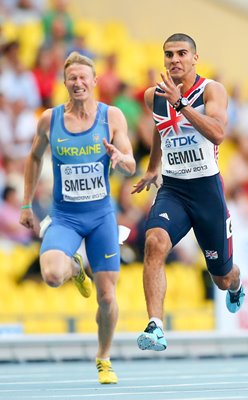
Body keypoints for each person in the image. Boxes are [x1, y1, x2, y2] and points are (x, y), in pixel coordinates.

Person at [19, 51, 136, 382]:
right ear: (65, 82)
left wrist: (122, 158)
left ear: (95, 81)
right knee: (53, 275)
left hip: (101, 218)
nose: (79, 82)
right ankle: (75, 270)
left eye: (85, 77)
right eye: (73, 78)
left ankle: (104, 357)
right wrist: (27, 204)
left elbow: (130, 161)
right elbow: (33, 158)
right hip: (66, 218)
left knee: (108, 296)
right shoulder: (49, 119)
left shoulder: (111, 117)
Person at [132, 33, 245, 352]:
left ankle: (236, 282)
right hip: (174, 189)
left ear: (195, 58)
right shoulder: (153, 95)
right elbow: (159, 128)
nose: (174, 60)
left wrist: (180, 104)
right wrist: (154, 167)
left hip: (207, 192)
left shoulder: (212, 90)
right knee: (154, 242)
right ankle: (156, 327)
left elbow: (219, 133)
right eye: (168, 55)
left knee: (221, 278)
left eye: (182, 53)